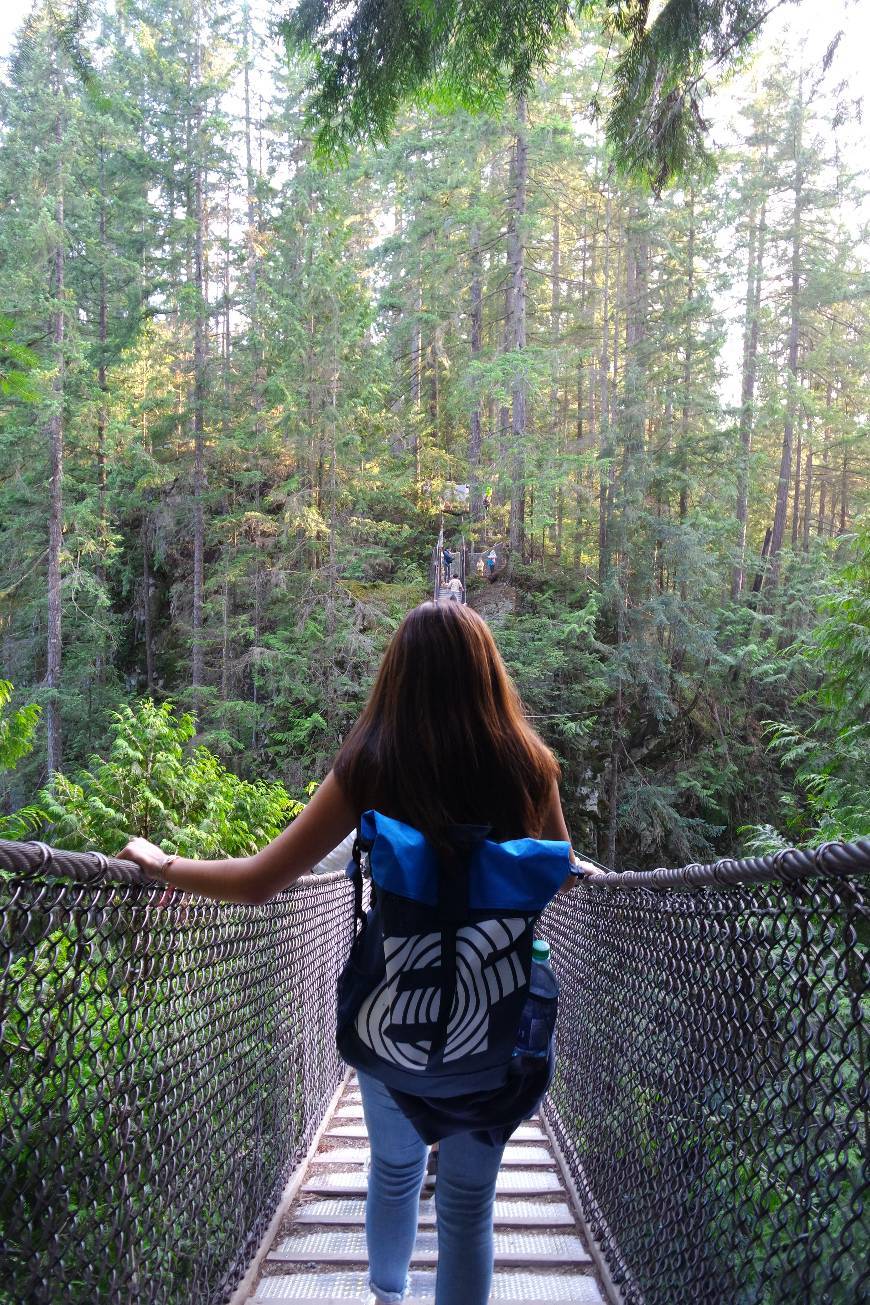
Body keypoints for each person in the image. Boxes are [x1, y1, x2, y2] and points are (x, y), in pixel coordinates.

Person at [119, 603, 601, 1305]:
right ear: (488, 674)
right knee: (468, 1204)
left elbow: (259, 880)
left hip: (393, 1016)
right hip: (497, 1028)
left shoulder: (371, 766)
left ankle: (387, 1297)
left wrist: (167, 863)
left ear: (396, 677)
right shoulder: (531, 768)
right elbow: (554, 871)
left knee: (396, 1172)